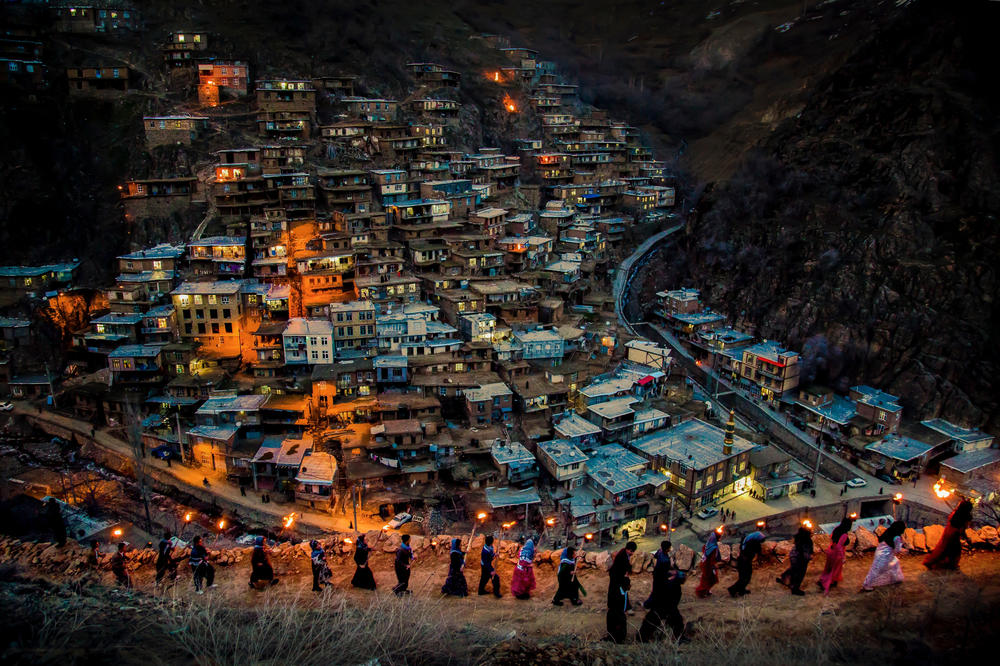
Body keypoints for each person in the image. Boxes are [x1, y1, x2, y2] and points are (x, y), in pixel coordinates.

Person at [637, 562, 687, 643]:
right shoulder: (675, 585)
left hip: (660, 607)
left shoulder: (664, 582)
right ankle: (680, 638)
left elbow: (655, 595)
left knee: (649, 622)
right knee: (677, 622)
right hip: (668, 607)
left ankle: (641, 638)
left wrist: (647, 604)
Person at [924, 500, 973, 571]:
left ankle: (933, 563)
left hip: (948, 533)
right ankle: (949, 565)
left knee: (944, 548)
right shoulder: (964, 516)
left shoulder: (955, 513)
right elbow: (962, 529)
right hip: (954, 535)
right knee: (954, 551)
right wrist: (967, 538)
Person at [862, 520, 906, 591]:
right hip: (886, 555)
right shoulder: (897, 537)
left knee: (894, 563)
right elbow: (897, 550)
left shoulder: (889, 530)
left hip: (880, 551)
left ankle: (896, 578)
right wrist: (902, 548)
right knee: (876, 570)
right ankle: (867, 585)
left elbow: (880, 539)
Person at [606, 541, 636, 642]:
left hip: (617, 587)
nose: (632, 553)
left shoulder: (623, 554)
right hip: (618, 588)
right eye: (631, 551)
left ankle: (614, 636)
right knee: (618, 613)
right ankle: (618, 638)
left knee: (615, 611)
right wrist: (626, 580)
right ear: (628, 549)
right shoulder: (622, 558)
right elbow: (623, 574)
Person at [818, 517, 854, 594]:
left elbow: (832, 538)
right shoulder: (844, 534)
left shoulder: (836, 529)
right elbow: (839, 546)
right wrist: (843, 557)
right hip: (836, 554)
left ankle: (824, 580)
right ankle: (828, 583)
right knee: (834, 569)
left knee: (828, 568)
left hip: (830, 550)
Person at [777, 527, 814, 595]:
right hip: (800, 559)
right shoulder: (808, 541)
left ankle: (784, 578)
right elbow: (805, 552)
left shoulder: (799, 538)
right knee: (800, 574)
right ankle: (795, 589)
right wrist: (809, 557)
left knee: (793, 569)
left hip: (793, 556)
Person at [728, 530, 765, 597]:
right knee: (745, 577)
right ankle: (732, 589)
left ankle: (741, 590)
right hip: (745, 562)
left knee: (744, 576)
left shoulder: (747, 539)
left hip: (742, 561)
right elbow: (757, 550)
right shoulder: (752, 542)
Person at [643, 541, 674, 609]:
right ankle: (648, 604)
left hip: (657, 574)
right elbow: (665, 571)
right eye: (669, 547)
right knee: (658, 591)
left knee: (656, 591)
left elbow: (655, 556)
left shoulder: (659, 551)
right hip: (661, 576)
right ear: (667, 549)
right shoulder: (665, 560)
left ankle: (651, 604)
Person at [695, 529, 722, 598]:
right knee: (708, 579)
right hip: (708, 566)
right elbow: (712, 559)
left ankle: (706, 590)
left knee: (709, 578)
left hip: (704, 563)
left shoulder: (707, 545)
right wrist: (714, 566)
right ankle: (700, 592)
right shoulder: (714, 548)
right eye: (719, 537)